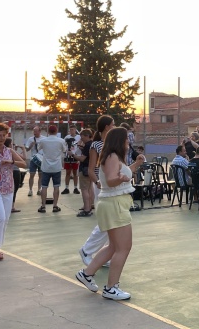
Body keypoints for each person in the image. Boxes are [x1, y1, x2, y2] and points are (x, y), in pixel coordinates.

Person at [75, 127, 145, 300]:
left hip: (113, 204)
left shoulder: (113, 156)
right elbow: (112, 179)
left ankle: (87, 273)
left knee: (114, 246)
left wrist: (136, 164)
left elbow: (118, 174)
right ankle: (111, 287)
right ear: (119, 140)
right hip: (115, 205)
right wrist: (121, 179)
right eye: (126, 139)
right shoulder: (112, 156)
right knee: (123, 248)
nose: (128, 142)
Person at [0, 123, 27, 261]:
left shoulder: (9, 151)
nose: (2, 138)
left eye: (4, 135)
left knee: (6, 218)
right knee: (0, 217)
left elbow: (24, 163)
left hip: (8, 187)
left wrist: (11, 161)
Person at [79, 115, 115, 266]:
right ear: (106, 127)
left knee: (112, 223)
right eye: (113, 124)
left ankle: (103, 255)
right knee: (106, 221)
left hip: (113, 187)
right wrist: (98, 183)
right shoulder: (96, 145)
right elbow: (91, 169)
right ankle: (86, 250)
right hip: (102, 187)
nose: (114, 126)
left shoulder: (112, 143)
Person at [38, 125, 67, 213]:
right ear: (56, 131)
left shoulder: (43, 140)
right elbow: (64, 150)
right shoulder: (61, 141)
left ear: (48, 132)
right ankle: (55, 206)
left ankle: (43, 206)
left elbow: (39, 149)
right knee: (56, 186)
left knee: (44, 186)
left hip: (46, 167)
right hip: (56, 167)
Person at [75, 129, 94, 216]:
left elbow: (82, 158)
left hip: (84, 169)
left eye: (82, 137)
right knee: (90, 188)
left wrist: (73, 155)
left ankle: (86, 209)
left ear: (87, 136)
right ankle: (90, 206)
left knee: (84, 189)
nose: (81, 139)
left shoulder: (87, 145)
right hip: (91, 169)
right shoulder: (92, 144)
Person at [24, 126, 43, 197]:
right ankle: (30, 190)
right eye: (34, 131)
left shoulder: (44, 139)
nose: (34, 133)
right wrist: (31, 145)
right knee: (32, 174)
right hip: (33, 159)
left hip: (41, 158)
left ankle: (39, 189)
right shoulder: (30, 139)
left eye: (36, 131)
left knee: (41, 175)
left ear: (39, 131)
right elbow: (27, 149)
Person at [62, 127, 80, 195]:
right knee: (68, 173)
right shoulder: (67, 137)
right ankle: (66, 188)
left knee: (75, 173)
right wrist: (65, 152)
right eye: (70, 129)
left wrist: (78, 156)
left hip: (75, 156)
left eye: (72, 129)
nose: (71, 131)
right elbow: (64, 146)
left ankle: (75, 188)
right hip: (68, 156)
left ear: (75, 130)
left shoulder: (78, 137)